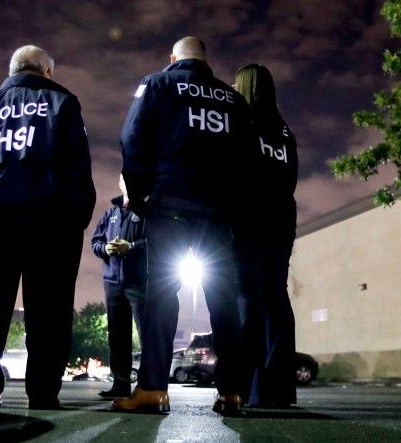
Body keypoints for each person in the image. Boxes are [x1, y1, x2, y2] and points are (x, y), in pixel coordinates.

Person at [112, 36, 257, 416]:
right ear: (207, 60)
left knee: (161, 295)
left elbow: (132, 137)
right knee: (224, 300)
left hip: (172, 203)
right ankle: (232, 392)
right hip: (218, 212)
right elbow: (249, 158)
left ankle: (153, 389)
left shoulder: (158, 83)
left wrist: (141, 195)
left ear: (172, 58)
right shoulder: (233, 99)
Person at [0, 45, 96, 409]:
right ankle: (43, 391)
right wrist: (77, 216)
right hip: (49, 221)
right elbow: (76, 166)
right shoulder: (62, 104)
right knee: (49, 308)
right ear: (46, 72)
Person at [232, 63, 299, 408]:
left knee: (248, 298)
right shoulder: (285, 131)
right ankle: (280, 388)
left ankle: (251, 388)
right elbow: (290, 181)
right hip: (282, 220)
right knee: (276, 297)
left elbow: (232, 173)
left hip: (249, 219)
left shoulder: (241, 123)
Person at [91, 172, 147, 399]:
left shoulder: (146, 213)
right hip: (112, 283)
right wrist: (105, 249)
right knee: (117, 336)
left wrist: (130, 247)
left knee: (146, 334)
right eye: (124, 178)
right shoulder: (110, 213)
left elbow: (155, 243)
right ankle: (120, 384)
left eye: (130, 178)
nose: (127, 182)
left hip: (140, 283)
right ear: (120, 183)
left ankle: (147, 384)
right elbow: (95, 241)